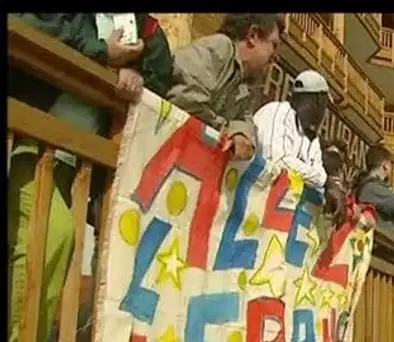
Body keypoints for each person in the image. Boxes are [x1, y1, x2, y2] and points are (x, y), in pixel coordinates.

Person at [8, 13, 173, 342]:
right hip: (27, 143)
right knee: (54, 233)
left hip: (77, 166)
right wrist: (102, 54)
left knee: (58, 250)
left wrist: (134, 78)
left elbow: (161, 86)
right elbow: (27, 22)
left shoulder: (146, 28)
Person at [168, 13, 284, 161]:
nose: (276, 56)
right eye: (274, 45)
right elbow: (187, 100)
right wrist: (228, 130)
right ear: (253, 36)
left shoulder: (248, 82)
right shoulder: (219, 47)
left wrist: (241, 133)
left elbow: (247, 124)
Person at [253, 69, 330, 190]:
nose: (325, 112)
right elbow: (279, 161)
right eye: (326, 104)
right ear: (319, 99)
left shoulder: (312, 139)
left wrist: (319, 179)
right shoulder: (278, 111)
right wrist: (323, 180)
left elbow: (318, 174)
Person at [355, 145, 394, 239]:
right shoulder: (373, 188)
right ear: (385, 165)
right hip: (379, 244)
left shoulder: (372, 187)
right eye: (390, 163)